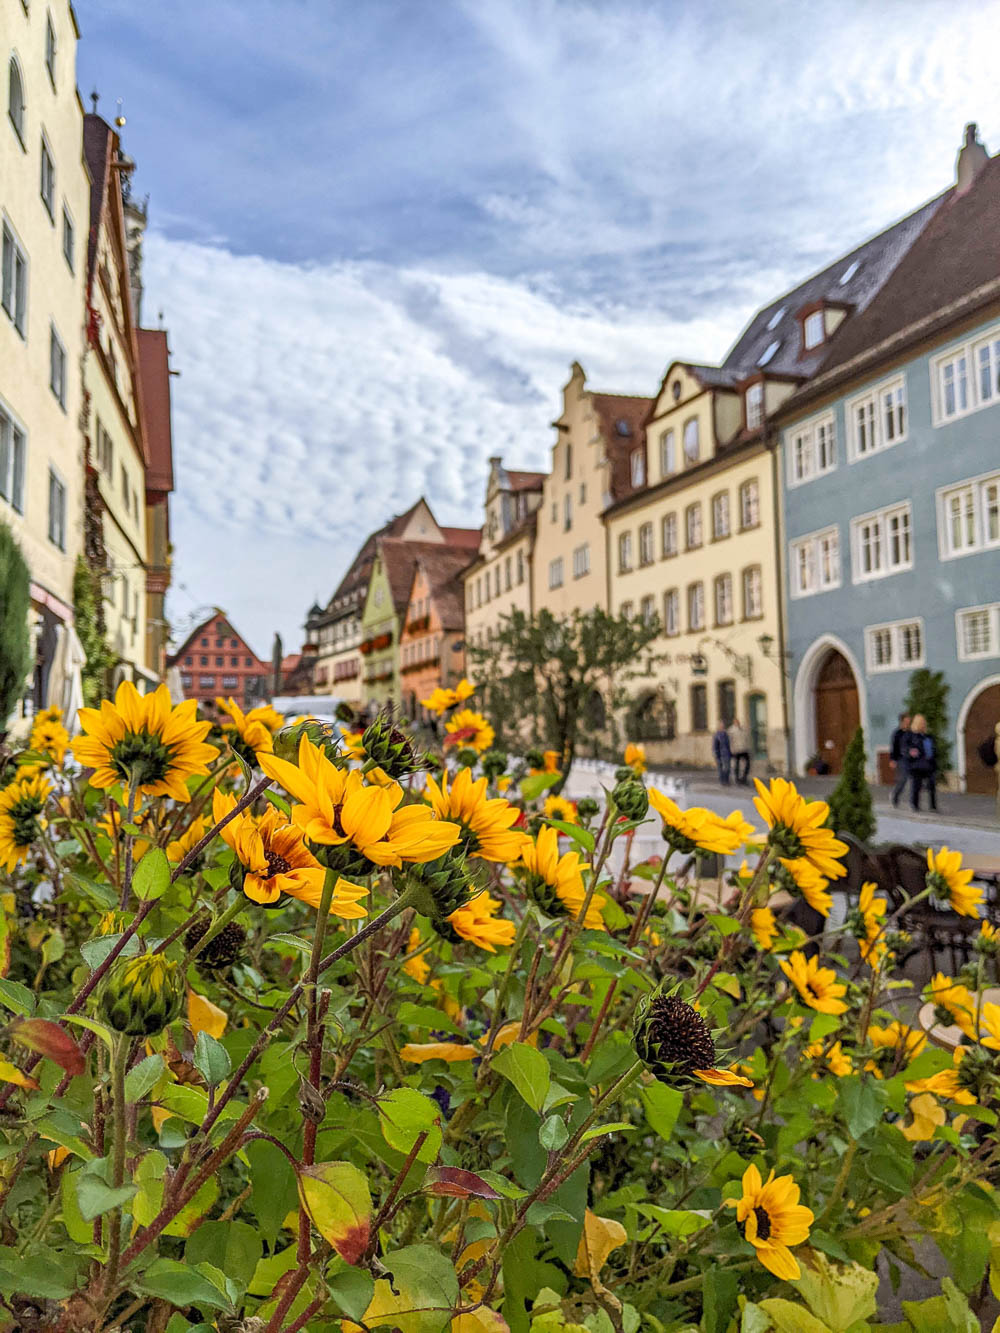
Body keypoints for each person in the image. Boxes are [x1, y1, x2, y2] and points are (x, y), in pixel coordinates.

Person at [907, 714, 937, 812]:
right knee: (916, 785)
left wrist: (933, 759)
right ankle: (914, 804)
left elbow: (933, 749)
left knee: (932, 785)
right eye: (921, 723)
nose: (923, 725)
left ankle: (933, 806)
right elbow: (910, 751)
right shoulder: (913, 737)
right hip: (917, 765)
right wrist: (913, 755)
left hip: (929, 764)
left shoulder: (928, 737)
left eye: (924, 723)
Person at [889, 712, 911, 807]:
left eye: (909, 721)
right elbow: (893, 747)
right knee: (903, 779)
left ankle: (914, 802)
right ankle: (895, 795)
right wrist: (892, 760)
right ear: (902, 721)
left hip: (910, 759)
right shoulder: (897, 733)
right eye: (906, 721)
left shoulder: (910, 733)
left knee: (912, 780)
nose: (908, 723)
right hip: (900, 759)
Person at [728, 717, 751, 785]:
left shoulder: (743, 729)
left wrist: (748, 747)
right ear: (734, 722)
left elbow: (747, 738)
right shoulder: (731, 730)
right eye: (736, 722)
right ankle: (737, 779)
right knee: (737, 765)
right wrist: (731, 749)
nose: (737, 723)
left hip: (744, 749)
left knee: (748, 764)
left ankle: (744, 778)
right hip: (736, 750)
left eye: (738, 721)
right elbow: (730, 741)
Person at [712, 721, 731, 785]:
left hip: (727, 753)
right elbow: (715, 745)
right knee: (720, 768)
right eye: (721, 726)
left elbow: (729, 744)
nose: (722, 727)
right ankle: (722, 780)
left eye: (723, 726)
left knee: (727, 768)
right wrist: (716, 754)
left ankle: (726, 780)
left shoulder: (726, 734)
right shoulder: (717, 735)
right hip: (720, 754)